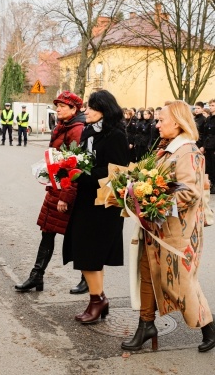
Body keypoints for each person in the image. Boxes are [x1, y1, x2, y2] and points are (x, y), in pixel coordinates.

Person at [121, 100, 215, 353]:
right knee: (148, 276)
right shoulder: (166, 149)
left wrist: (153, 201)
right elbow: (151, 179)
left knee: (180, 283)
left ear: (177, 122)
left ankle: (208, 326)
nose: (157, 123)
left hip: (177, 233)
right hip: (156, 229)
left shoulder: (188, 152)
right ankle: (146, 325)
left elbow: (190, 193)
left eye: (162, 120)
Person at [62, 89, 129, 323]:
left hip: (104, 205)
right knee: (85, 254)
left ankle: (97, 302)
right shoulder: (88, 131)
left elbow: (118, 172)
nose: (86, 111)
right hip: (86, 201)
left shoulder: (116, 135)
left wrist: (81, 173)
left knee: (91, 255)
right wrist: (68, 166)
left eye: (91, 107)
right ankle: (99, 298)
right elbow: (83, 159)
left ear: (104, 110)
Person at [15, 91, 88, 294]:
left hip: (67, 191)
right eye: (57, 105)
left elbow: (75, 166)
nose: (57, 109)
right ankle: (37, 276)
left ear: (74, 109)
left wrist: (65, 196)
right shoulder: (63, 126)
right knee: (47, 231)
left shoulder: (77, 129)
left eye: (62, 106)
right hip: (56, 188)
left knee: (76, 235)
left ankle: (87, 278)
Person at [201, 99, 215, 194]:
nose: (211, 107)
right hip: (208, 145)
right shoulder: (208, 119)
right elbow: (205, 133)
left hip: (214, 146)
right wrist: (203, 146)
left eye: (213, 105)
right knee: (209, 167)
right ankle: (211, 184)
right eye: (210, 105)